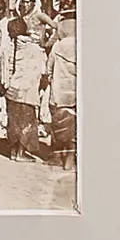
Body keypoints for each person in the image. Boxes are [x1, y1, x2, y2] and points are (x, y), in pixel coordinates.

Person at [2, 16, 46, 162]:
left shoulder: (10, 46)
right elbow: (42, 69)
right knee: (26, 122)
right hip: (27, 90)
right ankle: (21, 153)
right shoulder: (34, 48)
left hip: (12, 88)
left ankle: (13, 152)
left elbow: (6, 68)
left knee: (14, 121)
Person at [47, 32, 77, 170]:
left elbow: (49, 68)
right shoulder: (81, 44)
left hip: (59, 92)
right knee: (75, 127)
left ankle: (58, 157)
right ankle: (70, 159)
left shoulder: (58, 46)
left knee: (58, 125)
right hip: (75, 92)